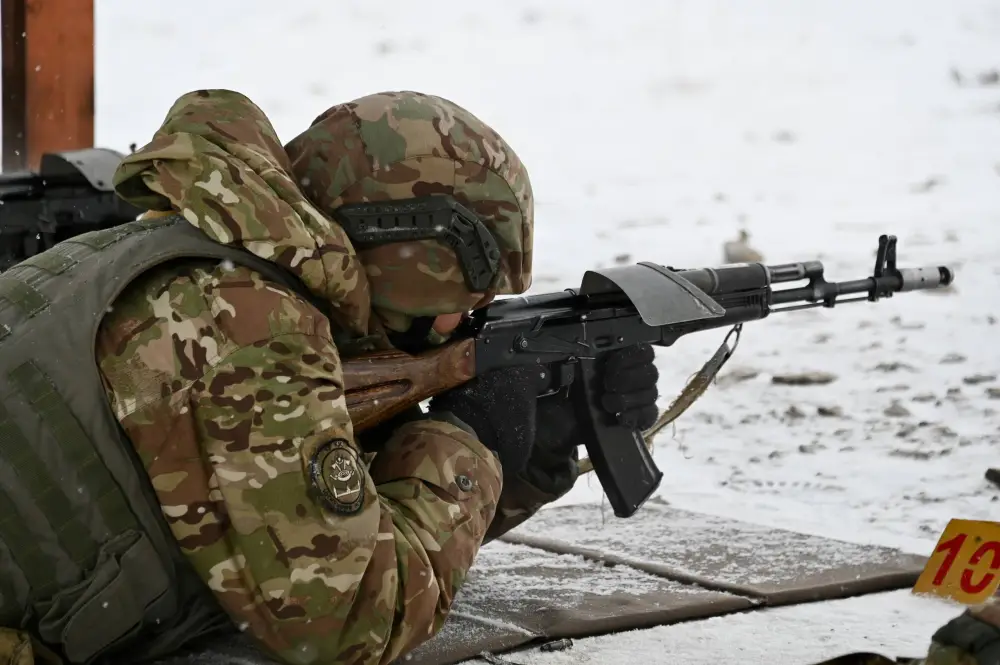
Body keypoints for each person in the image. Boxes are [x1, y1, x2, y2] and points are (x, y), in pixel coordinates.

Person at [0, 89, 659, 665]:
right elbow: (347, 623)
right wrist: (469, 442)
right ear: (410, 257)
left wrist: (533, 450)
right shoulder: (249, 328)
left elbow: (329, 523)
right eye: (468, 297)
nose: (463, 321)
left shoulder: (182, 257)